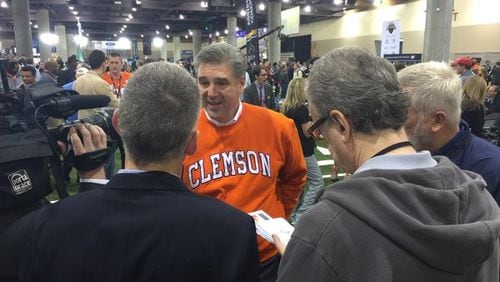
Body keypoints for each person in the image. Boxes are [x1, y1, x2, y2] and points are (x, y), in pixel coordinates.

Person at [0, 62, 260, 282]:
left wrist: (91, 178)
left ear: (117, 124)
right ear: (192, 142)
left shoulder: (39, 229)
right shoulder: (234, 231)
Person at [275, 47, 500, 281]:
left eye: (319, 128)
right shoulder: (482, 201)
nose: (321, 137)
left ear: (342, 125)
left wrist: (304, 259)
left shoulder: (326, 227)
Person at [182, 42, 306, 282]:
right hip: (207, 257)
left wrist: (278, 213)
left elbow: (295, 177)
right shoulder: (183, 131)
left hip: (265, 256)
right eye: (204, 82)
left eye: (221, 82)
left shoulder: (279, 126)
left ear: (241, 84)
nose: (211, 92)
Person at [399, 62, 500, 204]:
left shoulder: (492, 170)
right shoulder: (404, 156)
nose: (391, 123)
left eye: (400, 115)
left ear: (437, 120)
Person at [281, 78, 324, 225]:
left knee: (298, 186)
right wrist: (314, 125)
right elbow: (307, 132)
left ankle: (291, 216)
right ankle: (299, 217)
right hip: (304, 151)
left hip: (291, 151)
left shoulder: (285, 108)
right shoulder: (301, 109)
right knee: (318, 183)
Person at [74, 49, 119, 119]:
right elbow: (115, 103)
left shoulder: (77, 81)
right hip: (96, 123)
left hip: (81, 121)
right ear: (104, 64)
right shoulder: (101, 83)